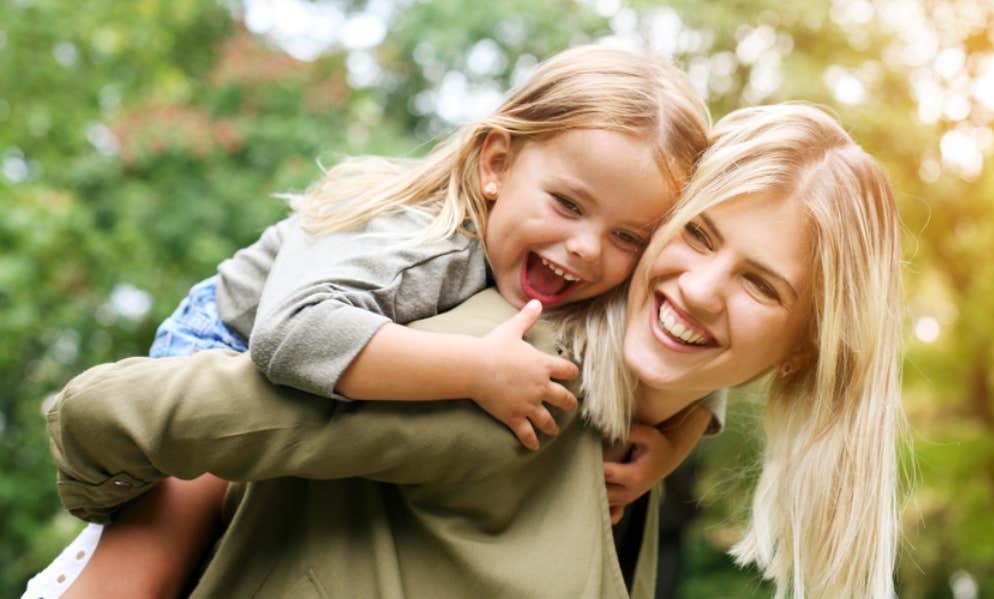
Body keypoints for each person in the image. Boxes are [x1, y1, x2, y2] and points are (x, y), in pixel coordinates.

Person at [43, 103, 903, 597]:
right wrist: (133, 518)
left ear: (801, 352)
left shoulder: (638, 440)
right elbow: (105, 410)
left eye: (761, 285)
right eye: (699, 235)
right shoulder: (499, 382)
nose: (702, 287)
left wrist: (679, 433)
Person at [23, 44, 715, 599]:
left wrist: (674, 442)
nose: (587, 248)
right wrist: (477, 371)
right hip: (230, 336)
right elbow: (290, 334)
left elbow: (687, 355)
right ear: (498, 163)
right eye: (568, 204)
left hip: (334, 351)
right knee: (157, 559)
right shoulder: (419, 246)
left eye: (629, 237)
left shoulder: (575, 275)